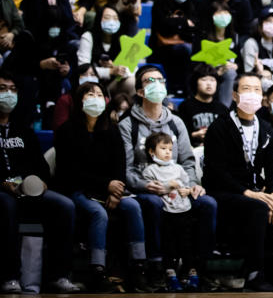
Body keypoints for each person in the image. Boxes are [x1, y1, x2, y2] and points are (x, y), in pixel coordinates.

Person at [202, 72, 273, 291]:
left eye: (257, 90)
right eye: (246, 89)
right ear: (235, 96)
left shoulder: (265, 128)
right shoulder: (220, 127)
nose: (252, 94)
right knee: (257, 207)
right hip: (225, 191)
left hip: (257, 192)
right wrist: (248, 193)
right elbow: (217, 172)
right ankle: (255, 273)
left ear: (262, 97)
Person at [118, 66, 216, 286]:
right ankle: (156, 266)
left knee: (207, 203)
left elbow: (188, 162)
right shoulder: (127, 125)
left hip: (177, 187)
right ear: (140, 92)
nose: (156, 84)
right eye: (149, 81)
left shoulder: (176, 122)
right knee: (153, 203)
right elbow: (126, 168)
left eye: (160, 80)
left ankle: (198, 268)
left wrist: (192, 185)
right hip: (145, 189)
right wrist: (145, 185)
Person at [55, 82, 147, 292]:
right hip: (77, 189)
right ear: (80, 100)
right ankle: (97, 269)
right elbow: (70, 171)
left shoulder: (111, 130)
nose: (96, 98)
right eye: (90, 94)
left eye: (99, 94)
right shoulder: (66, 131)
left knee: (133, 207)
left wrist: (118, 190)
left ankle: (138, 267)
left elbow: (120, 164)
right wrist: (107, 185)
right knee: (99, 213)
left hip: (109, 189)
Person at [0, 71, 79, 293]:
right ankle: (10, 276)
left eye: (12, 89)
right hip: (3, 192)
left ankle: (58, 275)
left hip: (29, 189)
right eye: (2, 89)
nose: (8, 94)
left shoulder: (23, 129)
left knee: (65, 206)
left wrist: (42, 182)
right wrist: (4, 184)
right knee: (7, 205)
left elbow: (41, 167)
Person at [140, 132, 199, 291]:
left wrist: (187, 190)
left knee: (186, 242)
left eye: (170, 149)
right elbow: (153, 189)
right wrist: (169, 186)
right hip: (167, 212)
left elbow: (187, 184)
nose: (168, 152)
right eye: (163, 148)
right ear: (152, 151)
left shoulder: (178, 168)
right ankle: (170, 273)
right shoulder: (150, 171)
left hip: (184, 210)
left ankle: (189, 272)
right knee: (170, 243)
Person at [176, 64, 228, 146]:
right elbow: (179, 134)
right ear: (196, 82)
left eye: (212, 80)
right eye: (204, 80)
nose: (209, 84)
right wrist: (195, 135)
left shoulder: (222, 109)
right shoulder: (185, 106)